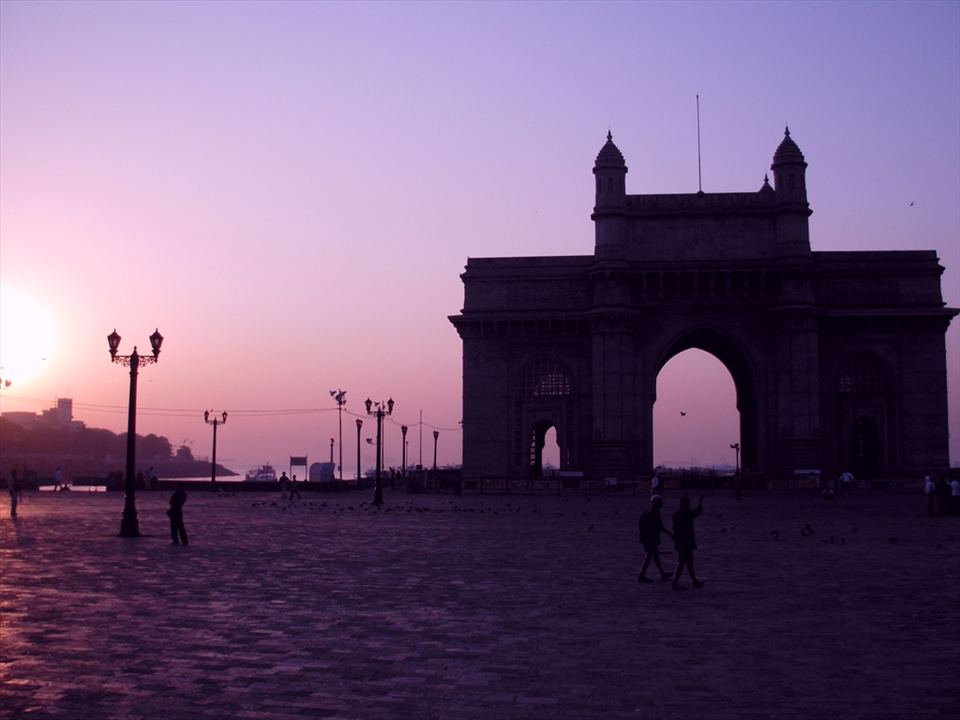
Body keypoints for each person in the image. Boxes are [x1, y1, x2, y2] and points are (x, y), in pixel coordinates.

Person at [637, 495, 674, 583]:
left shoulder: (646, 511)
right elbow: (660, 526)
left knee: (653, 555)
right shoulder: (655, 512)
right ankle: (641, 575)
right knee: (650, 556)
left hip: (645, 537)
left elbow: (640, 524)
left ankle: (662, 573)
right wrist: (669, 534)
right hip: (651, 538)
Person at [672, 495, 704, 590]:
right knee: (683, 562)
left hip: (679, 542)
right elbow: (698, 511)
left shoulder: (676, 514)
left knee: (687, 562)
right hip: (686, 542)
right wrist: (700, 501)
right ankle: (675, 583)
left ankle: (694, 581)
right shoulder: (687, 513)